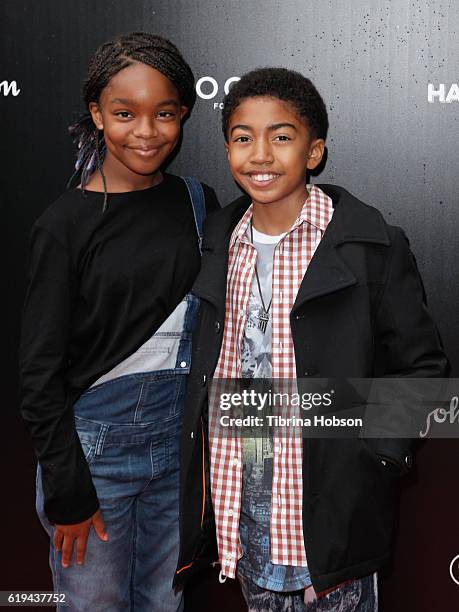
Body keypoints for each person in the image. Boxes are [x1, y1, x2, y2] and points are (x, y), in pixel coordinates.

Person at [174, 67, 449, 610]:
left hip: (331, 513)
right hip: (243, 506)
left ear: (314, 151)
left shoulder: (371, 246)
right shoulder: (217, 244)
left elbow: (422, 368)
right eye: (242, 137)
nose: (260, 155)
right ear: (227, 149)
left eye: (281, 137)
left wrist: (377, 456)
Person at [19, 32, 219, 611]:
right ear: (96, 114)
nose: (146, 131)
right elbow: (39, 373)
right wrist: (67, 490)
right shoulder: (64, 225)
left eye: (164, 113)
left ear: (183, 113)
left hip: (178, 448)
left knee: (164, 602)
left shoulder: (196, 201)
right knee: (95, 605)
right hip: (93, 454)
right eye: (125, 113)